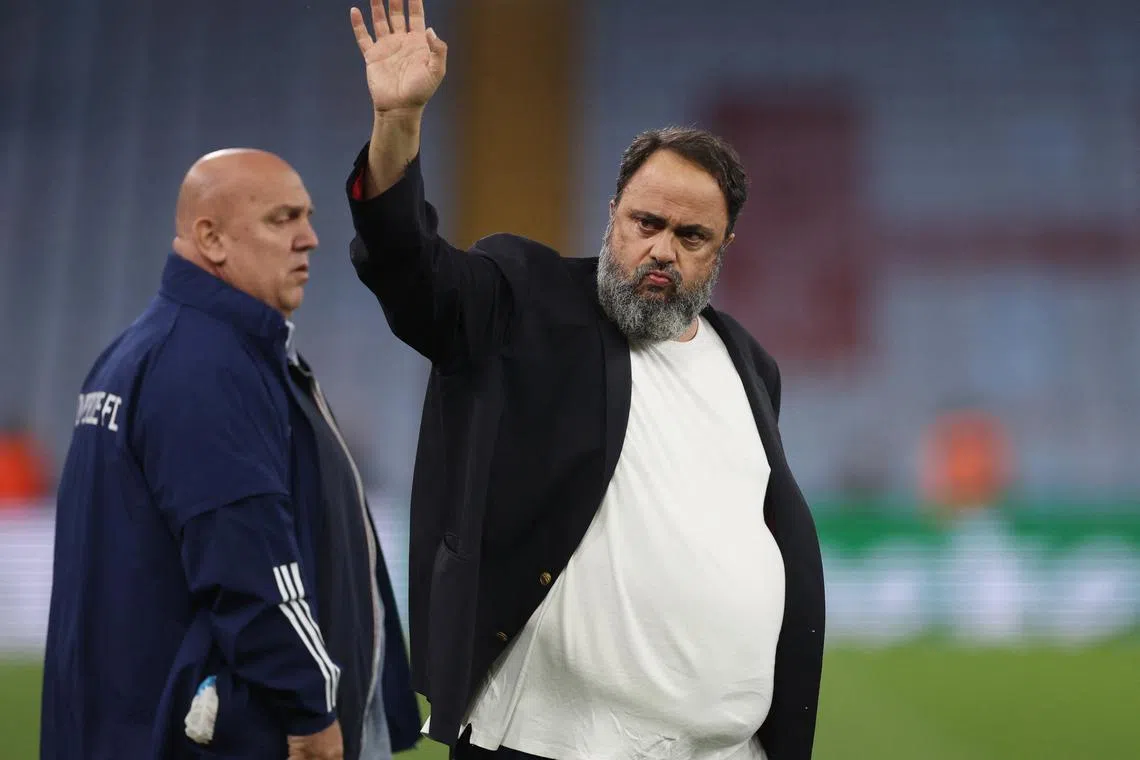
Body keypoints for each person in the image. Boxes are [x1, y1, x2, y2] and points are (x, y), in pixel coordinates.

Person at [344, 2, 825, 760]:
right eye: (645, 222)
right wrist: (397, 124)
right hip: (551, 742)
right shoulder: (524, 298)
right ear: (613, 215)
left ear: (723, 247)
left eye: (691, 235)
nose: (661, 249)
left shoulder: (748, 363)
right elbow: (411, 271)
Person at [40, 148, 420, 760]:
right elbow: (250, 563)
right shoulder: (208, 368)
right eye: (282, 218)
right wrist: (310, 706)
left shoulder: (138, 352)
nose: (310, 238)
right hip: (206, 735)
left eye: (307, 216)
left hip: (124, 722)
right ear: (211, 238)